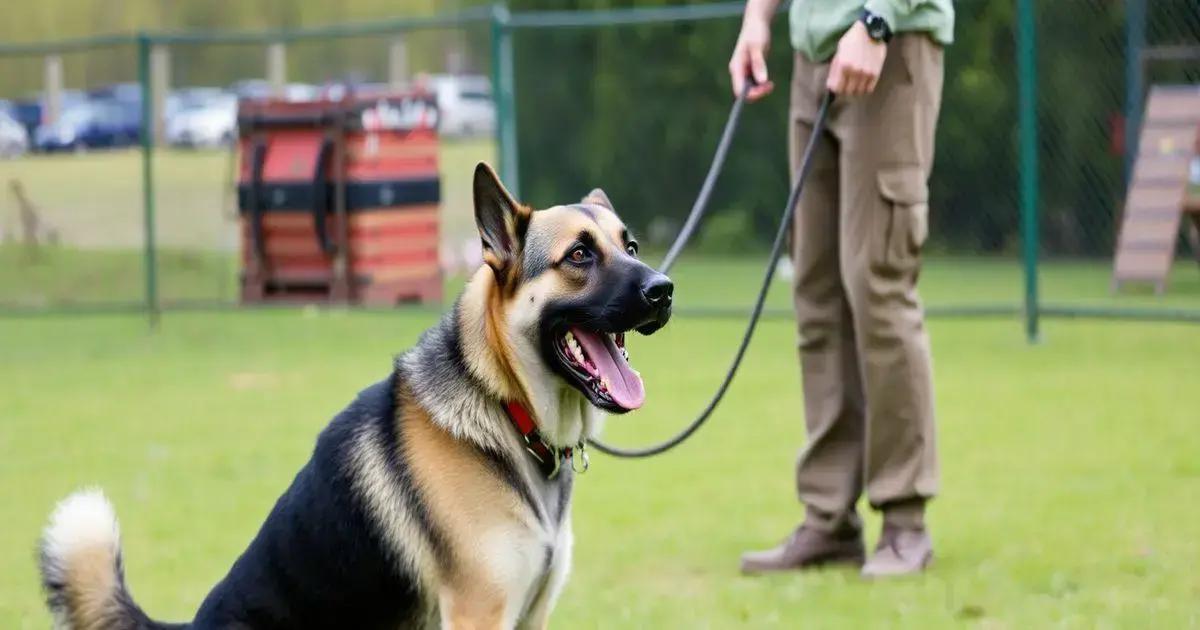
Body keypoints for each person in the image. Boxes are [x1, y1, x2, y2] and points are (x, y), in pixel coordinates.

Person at [729, 0, 953, 578]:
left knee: (878, 287)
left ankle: (905, 521)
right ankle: (829, 518)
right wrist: (758, 20)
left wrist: (876, 20)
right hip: (813, 54)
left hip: (888, 43)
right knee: (816, 295)